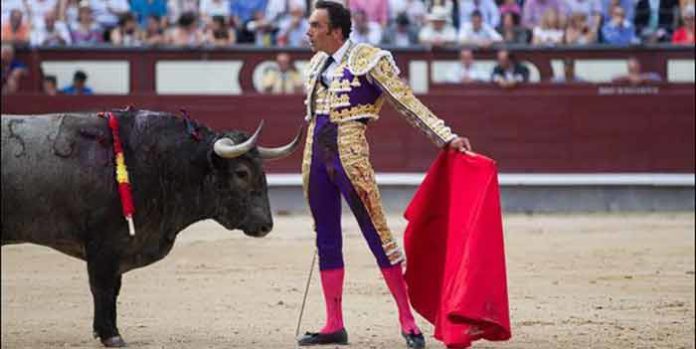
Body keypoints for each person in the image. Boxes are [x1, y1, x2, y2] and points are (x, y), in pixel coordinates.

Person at [297, 1, 471, 348]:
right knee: (326, 238)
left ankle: (407, 321)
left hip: (351, 156)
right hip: (315, 156)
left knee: (378, 234)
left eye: (316, 25)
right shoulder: (315, 64)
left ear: (335, 31)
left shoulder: (370, 59)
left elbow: (406, 101)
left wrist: (445, 136)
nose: (309, 31)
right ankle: (334, 324)